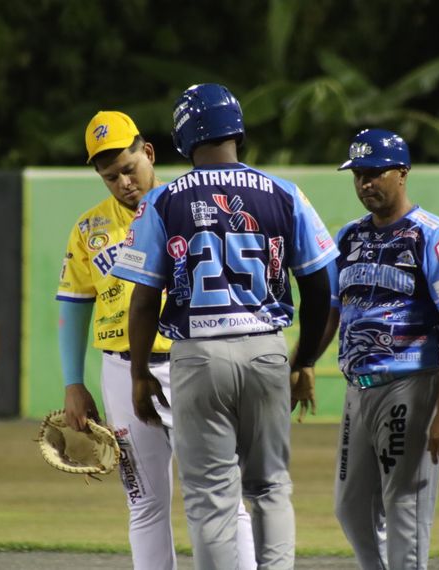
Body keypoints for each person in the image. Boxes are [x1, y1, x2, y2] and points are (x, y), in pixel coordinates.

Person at [111, 83, 337, 570]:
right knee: (271, 487)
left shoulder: (163, 201)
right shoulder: (284, 193)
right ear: (237, 129)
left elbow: (145, 298)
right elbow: (321, 289)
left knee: (210, 498)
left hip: (197, 355)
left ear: (182, 137)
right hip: (266, 349)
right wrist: (304, 362)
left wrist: (138, 373)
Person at [55, 110, 256, 570]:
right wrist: (72, 381)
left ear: (148, 153)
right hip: (122, 371)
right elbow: (73, 302)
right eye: (111, 177)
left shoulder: (191, 207)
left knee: (221, 497)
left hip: (194, 362)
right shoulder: (89, 230)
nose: (124, 182)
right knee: (144, 503)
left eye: (129, 168)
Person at [319, 128, 439, 569]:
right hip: (358, 388)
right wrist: (305, 362)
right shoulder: (348, 237)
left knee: (405, 507)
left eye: (375, 173)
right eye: (358, 175)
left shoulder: (433, 235)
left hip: (410, 383)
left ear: (402, 173)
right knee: (350, 507)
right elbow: (333, 311)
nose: (365, 183)